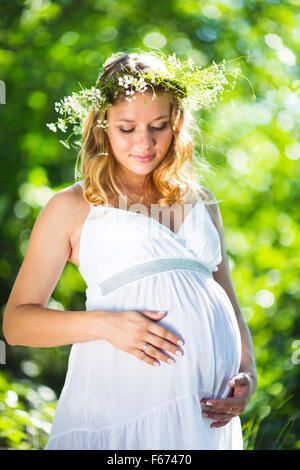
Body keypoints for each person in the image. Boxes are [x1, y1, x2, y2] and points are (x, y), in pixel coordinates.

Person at [3, 51, 257, 450]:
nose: (145, 142)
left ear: (177, 126)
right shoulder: (73, 206)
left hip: (205, 420)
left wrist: (248, 372)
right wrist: (104, 324)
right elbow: (16, 325)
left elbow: (228, 300)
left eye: (159, 126)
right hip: (120, 411)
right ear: (102, 126)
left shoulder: (201, 201)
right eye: (127, 128)